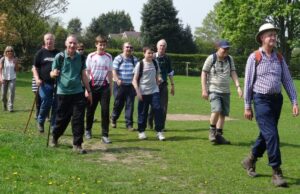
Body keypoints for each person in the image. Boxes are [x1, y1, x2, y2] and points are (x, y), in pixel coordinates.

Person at [242, 23, 299, 187]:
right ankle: (276, 172)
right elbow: (248, 83)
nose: (273, 37)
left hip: (277, 101)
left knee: (267, 134)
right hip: (261, 100)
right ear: (262, 38)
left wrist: (294, 101)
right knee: (272, 135)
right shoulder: (254, 57)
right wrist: (247, 106)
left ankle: (250, 159)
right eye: (269, 35)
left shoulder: (279, 58)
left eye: (274, 34)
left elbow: (287, 80)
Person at [50, 34, 92, 154]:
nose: (72, 45)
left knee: (78, 119)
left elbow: (84, 75)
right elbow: (51, 73)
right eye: (70, 43)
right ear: (66, 43)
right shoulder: (60, 57)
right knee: (62, 118)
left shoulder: (81, 58)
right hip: (63, 93)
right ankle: (55, 137)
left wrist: (88, 91)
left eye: (74, 43)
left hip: (78, 93)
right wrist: (54, 74)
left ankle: (77, 144)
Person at [201, 40, 243, 144]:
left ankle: (218, 136)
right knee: (217, 109)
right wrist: (204, 89)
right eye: (224, 48)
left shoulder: (229, 59)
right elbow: (204, 73)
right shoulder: (211, 58)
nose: (226, 51)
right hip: (214, 89)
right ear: (218, 48)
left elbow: (233, 72)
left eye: (227, 48)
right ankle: (212, 131)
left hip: (226, 91)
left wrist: (238, 87)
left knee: (223, 114)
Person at [132, 46, 165, 141]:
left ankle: (159, 131)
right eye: (148, 53)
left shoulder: (155, 62)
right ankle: (141, 132)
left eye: (152, 53)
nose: (151, 55)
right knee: (142, 112)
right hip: (143, 92)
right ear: (144, 54)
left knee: (158, 109)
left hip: (154, 90)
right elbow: (134, 80)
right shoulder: (140, 64)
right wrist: (137, 92)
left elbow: (157, 74)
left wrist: (158, 79)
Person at [85, 36, 113, 143]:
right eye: (100, 44)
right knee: (90, 110)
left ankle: (105, 135)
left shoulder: (109, 57)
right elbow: (87, 72)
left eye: (104, 45)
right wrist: (86, 89)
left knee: (105, 111)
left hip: (104, 87)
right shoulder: (91, 56)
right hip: (92, 87)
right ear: (96, 44)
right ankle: (88, 130)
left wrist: (111, 88)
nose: (102, 46)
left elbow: (110, 72)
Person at [32, 33, 60, 133]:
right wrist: (36, 78)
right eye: (47, 39)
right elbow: (34, 68)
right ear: (44, 41)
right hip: (44, 83)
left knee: (56, 104)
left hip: (57, 84)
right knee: (46, 101)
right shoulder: (40, 53)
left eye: (51, 39)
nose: (49, 41)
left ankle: (53, 125)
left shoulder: (59, 53)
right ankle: (40, 121)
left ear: (54, 41)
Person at [148, 39, 175, 130]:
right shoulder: (152, 56)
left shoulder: (167, 58)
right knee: (154, 105)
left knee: (163, 106)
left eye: (164, 46)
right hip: (153, 85)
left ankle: (160, 126)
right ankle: (150, 120)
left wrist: (172, 85)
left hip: (163, 85)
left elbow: (170, 72)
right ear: (157, 47)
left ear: (165, 48)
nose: (162, 47)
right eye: (160, 45)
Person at [111, 42, 138, 131]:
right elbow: (114, 71)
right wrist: (117, 79)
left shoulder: (135, 60)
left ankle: (129, 125)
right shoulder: (118, 58)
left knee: (130, 105)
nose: (129, 49)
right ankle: (113, 119)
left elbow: (137, 73)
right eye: (127, 47)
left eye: (131, 47)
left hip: (130, 86)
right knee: (119, 104)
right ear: (123, 48)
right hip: (120, 85)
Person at [0, 46, 19, 112]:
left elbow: (16, 70)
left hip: (12, 78)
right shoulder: (3, 59)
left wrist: (16, 63)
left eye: (11, 51)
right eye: (8, 51)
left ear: (13, 52)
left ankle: (10, 107)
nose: (9, 52)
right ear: (6, 52)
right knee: (3, 94)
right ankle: (4, 104)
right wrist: (0, 78)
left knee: (11, 93)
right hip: (4, 78)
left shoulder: (15, 59)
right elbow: (0, 69)